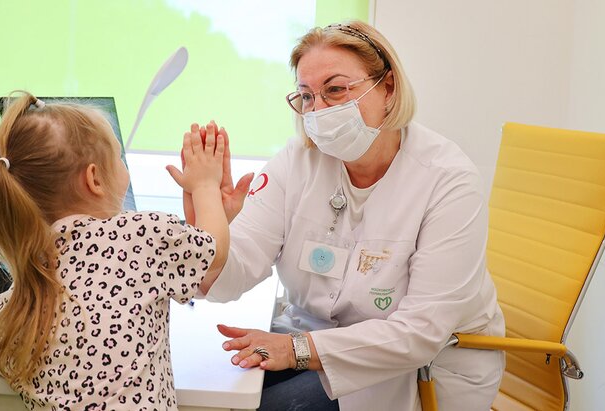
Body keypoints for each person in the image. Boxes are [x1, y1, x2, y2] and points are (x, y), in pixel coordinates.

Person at [185, 21, 505, 410]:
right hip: (309, 342)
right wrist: (210, 235)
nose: (318, 110)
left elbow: (420, 333)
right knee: (201, 391)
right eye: (306, 96)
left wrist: (296, 349)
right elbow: (236, 269)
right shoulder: (297, 161)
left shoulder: (448, 180)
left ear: (388, 87)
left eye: (335, 89)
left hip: (420, 370)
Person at [0, 91, 229, 410]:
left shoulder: (21, 299)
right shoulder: (143, 235)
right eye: (118, 157)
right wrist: (205, 187)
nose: (123, 165)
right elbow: (214, 251)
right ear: (94, 179)